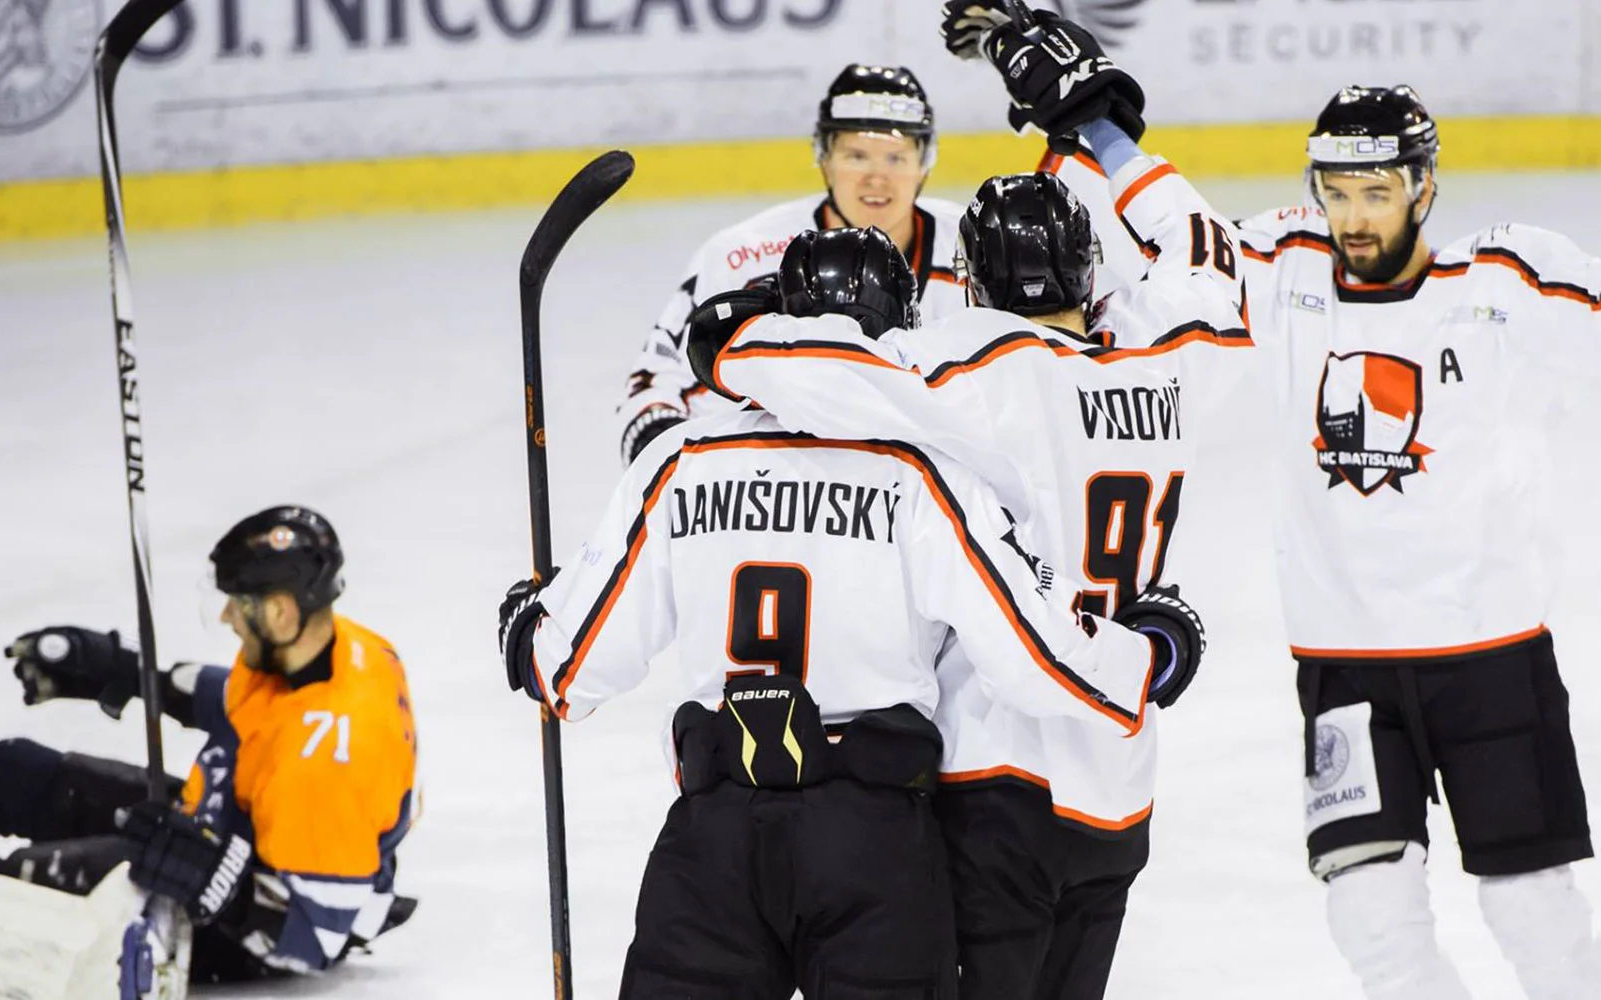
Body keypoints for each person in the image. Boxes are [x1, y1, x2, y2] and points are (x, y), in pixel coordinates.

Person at [683, 8, 1243, 996]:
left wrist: (733, 328)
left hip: (989, 775)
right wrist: (1098, 129)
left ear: (972, 282)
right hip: (1119, 779)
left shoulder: (957, 371)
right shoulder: (1176, 360)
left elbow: (792, 367)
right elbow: (1202, 249)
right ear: (1090, 272)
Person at [497, 226, 1204, 999]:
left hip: (716, 842)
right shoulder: (923, 475)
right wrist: (1149, 655)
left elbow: (569, 668)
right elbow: (1037, 655)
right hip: (875, 847)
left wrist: (530, 625)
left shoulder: (681, 461)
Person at [1227, 77, 1601, 999]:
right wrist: (1088, 120)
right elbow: (1168, 252)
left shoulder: (1499, 280)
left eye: (1376, 193)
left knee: (1533, 912)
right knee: (1371, 921)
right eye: (1336, 193)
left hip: (1489, 660)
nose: (1353, 218)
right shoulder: (1284, 267)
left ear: (1424, 186)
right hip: (1346, 668)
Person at [0, 506, 420, 983]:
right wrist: (129, 674)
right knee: (9, 773)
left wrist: (216, 881)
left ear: (280, 612)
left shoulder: (322, 767)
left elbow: (316, 940)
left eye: (239, 603)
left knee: (2, 894)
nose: (227, 615)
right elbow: (251, 706)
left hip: (233, 920)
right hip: (219, 831)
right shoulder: (344, 651)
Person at [613, 62, 968, 465]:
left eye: (895, 158)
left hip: (934, 490)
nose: (876, 178)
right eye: (856, 156)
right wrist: (678, 469)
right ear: (824, 159)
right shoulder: (742, 257)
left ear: (924, 163)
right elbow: (656, 385)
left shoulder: (972, 251)